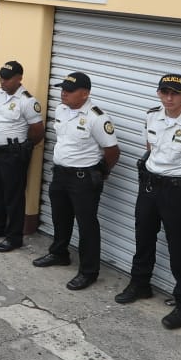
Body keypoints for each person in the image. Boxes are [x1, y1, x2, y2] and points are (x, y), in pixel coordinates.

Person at [116, 73, 181, 328]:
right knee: (143, 237)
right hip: (150, 186)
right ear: (159, 93)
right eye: (164, 92)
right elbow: (152, 149)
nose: (169, 97)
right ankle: (139, 284)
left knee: (180, 247)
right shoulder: (152, 115)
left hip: (178, 192)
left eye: (175, 93)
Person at [35, 71, 120, 290]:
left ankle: (88, 271)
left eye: (69, 91)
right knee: (60, 217)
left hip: (83, 179)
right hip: (61, 174)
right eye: (62, 89)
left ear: (85, 94)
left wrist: (102, 171)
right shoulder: (61, 110)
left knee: (87, 225)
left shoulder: (97, 117)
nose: (63, 94)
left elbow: (112, 151)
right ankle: (59, 253)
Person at [0, 61, 45, 252]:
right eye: (1, 77)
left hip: (13, 154)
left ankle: (14, 237)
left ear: (19, 78)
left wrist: (24, 147)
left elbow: (37, 131)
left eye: (7, 78)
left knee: (13, 196)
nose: (3, 81)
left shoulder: (28, 101)